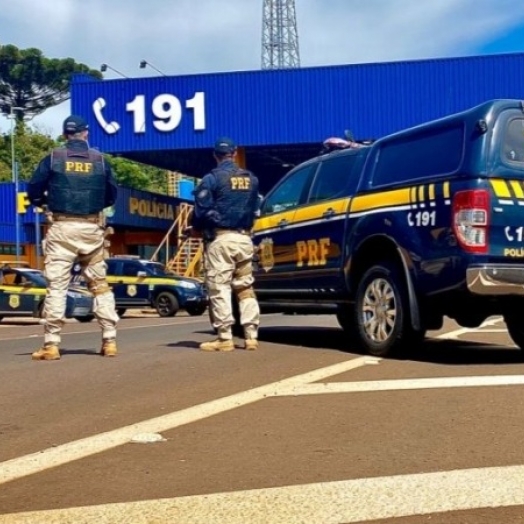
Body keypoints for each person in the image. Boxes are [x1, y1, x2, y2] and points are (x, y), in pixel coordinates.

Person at [27, 115, 120, 360]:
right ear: (85, 134)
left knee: (57, 286)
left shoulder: (53, 158)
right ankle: (109, 340)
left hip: (61, 228)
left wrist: (44, 202)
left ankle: (51, 343)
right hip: (92, 228)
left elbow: (33, 188)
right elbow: (112, 194)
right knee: (99, 285)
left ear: (64, 134)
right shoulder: (100, 161)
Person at [191, 137, 261, 351]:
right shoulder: (251, 179)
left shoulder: (212, 178)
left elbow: (201, 211)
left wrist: (197, 226)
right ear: (234, 153)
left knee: (219, 288)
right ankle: (251, 336)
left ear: (215, 155)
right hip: (245, 239)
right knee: (245, 287)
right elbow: (256, 208)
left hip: (221, 240)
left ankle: (224, 337)